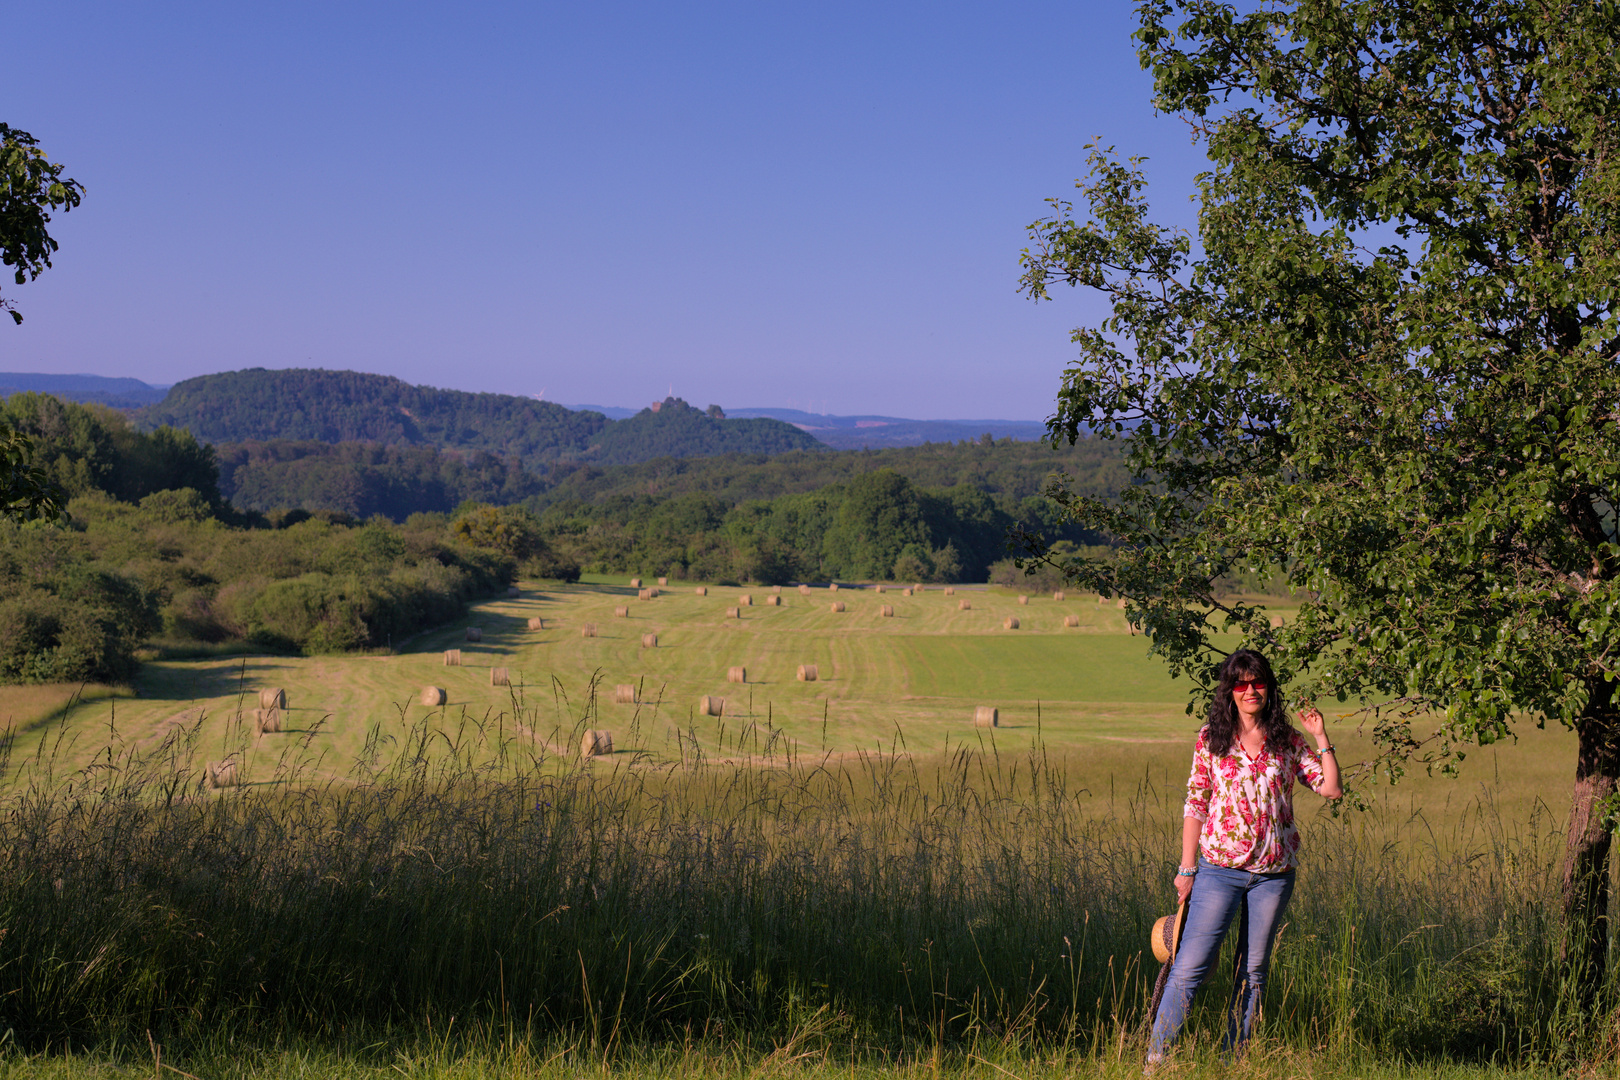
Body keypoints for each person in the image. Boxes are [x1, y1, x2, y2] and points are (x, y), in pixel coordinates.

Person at [1146, 647, 1342, 1065]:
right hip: (1219, 871)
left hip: (1273, 875)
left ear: (1268, 688)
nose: (1251, 690)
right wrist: (1186, 868)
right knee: (1190, 966)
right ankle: (1157, 1060)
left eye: (1258, 682)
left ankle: (1231, 1060)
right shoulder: (1211, 738)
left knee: (1252, 973)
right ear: (1229, 690)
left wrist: (1321, 737)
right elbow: (1195, 803)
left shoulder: (1286, 740)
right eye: (1242, 683)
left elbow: (1329, 788)